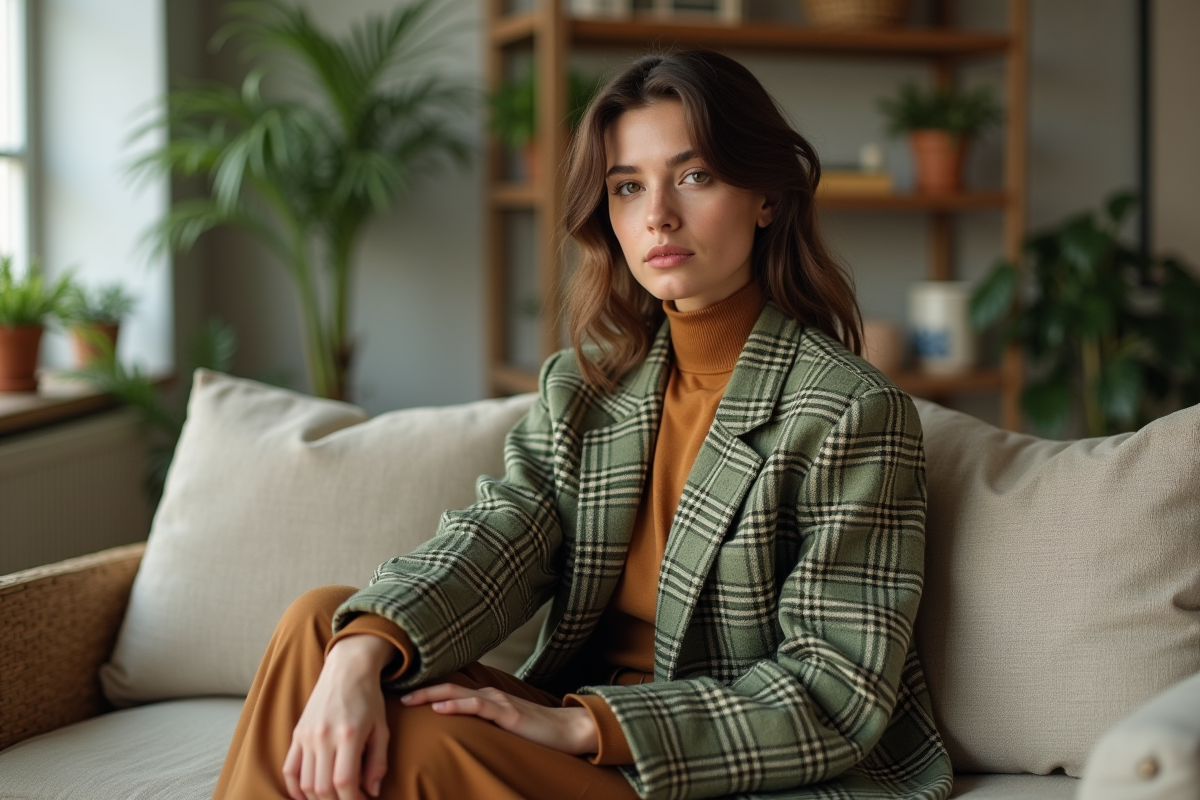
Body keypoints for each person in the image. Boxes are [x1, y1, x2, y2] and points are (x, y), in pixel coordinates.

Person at [212, 49, 953, 800]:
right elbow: (499, 539)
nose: (657, 214)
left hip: (704, 768)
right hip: (574, 734)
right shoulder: (588, 386)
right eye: (628, 187)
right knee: (325, 626)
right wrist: (358, 655)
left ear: (765, 195)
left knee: (421, 742)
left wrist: (590, 724)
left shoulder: (851, 411)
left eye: (693, 176)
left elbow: (836, 690)